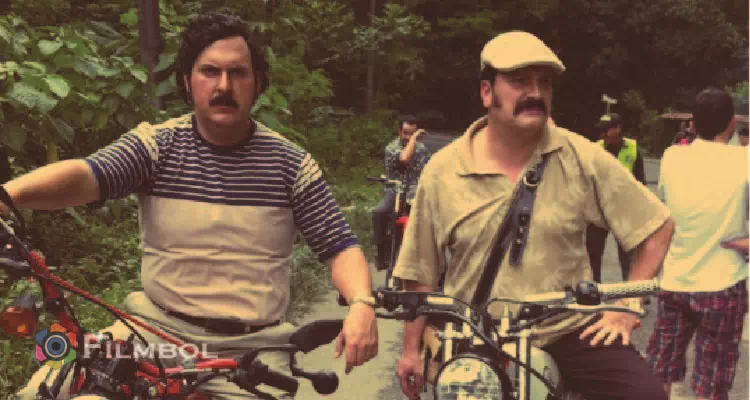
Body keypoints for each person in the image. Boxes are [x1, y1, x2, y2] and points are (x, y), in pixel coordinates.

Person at [10, 10, 378, 400]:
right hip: (152, 332)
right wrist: (8, 195)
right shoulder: (156, 147)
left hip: (252, 348)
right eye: (210, 72)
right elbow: (88, 176)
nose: (224, 85)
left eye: (238, 73)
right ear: (187, 81)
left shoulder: (291, 165)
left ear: (257, 83)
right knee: (39, 391)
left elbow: (339, 247)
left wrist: (361, 303)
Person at [392, 30, 674, 400]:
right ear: (487, 92)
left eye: (544, 82)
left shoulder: (581, 156)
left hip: (568, 329)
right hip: (476, 334)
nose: (536, 93)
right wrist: (411, 350)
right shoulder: (444, 170)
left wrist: (626, 306)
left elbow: (657, 226)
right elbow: (419, 271)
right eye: (519, 81)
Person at [647, 87, 748, 400]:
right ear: (732, 123)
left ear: (692, 124)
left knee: (660, 371)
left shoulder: (672, 157)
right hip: (722, 285)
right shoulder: (744, 161)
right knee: (711, 383)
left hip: (675, 281)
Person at [586, 112, 648, 282]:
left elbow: (640, 182)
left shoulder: (632, 148)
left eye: (606, 130)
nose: (603, 134)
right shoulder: (595, 148)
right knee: (593, 254)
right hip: (599, 210)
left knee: (628, 256)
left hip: (624, 210)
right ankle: (595, 288)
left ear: (618, 129)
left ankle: (629, 290)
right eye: (601, 130)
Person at [371, 115, 431, 270]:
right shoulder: (392, 148)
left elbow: (429, 170)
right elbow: (404, 158)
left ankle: (427, 260)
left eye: (412, 133)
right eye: (406, 133)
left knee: (428, 220)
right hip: (396, 190)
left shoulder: (422, 150)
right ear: (399, 132)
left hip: (416, 192)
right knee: (379, 212)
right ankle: (381, 253)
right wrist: (414, 139)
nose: (408, 137)